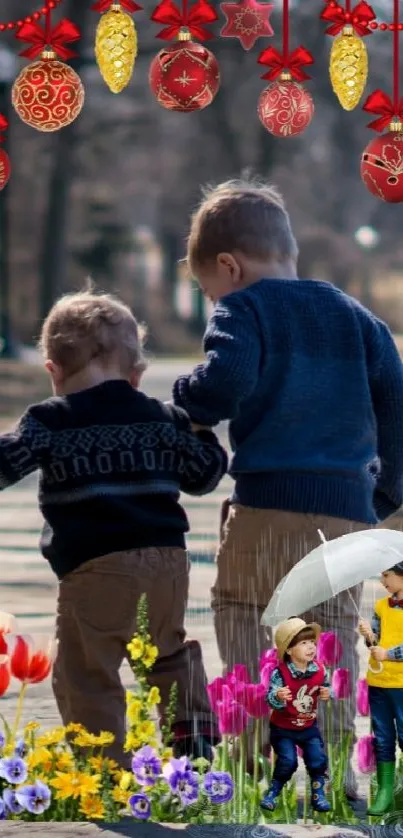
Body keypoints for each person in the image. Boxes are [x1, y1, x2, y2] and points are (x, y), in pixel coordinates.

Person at [172, 177, 403, 796]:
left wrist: (186, 396)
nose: (212, 299)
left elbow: (226, 381)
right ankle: (330, 771)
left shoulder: (244, 308)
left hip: (267, 504)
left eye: (207, 289)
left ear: (230, 265)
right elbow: (398, 414)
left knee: (248, 616)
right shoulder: (360, 320)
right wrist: (378, 500)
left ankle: (251, 760)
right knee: (329, 634)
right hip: (346, 516)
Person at [0, 289, 228, 768]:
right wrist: (202, 432)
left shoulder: (49, 420)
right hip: (167, 562)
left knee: (87, 669)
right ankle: (192, 732)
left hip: (94, 566)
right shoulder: (163, 418)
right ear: (137, 373)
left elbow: (7, 462)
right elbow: (204, 475)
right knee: (166, 653)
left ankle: (105, 768)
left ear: (53, 371)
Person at [261, 618, 331, 813]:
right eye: (303, 643)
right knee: (288, 761)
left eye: (312, 643)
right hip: (283, 728)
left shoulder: (320, 669)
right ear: (289, 650)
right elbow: (270, 698)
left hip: (308, 727)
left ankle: (318, 796)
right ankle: (273, 792)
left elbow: (325, 687)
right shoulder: (280, 673)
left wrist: (326, 693)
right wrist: (278, 696)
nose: (311, 647)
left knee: (317, 759)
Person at [359, 562, 403, 815]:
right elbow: (375, 641)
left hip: (401, 685)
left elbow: (387, 650)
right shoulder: (380, 607)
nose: (382, 580)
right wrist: (369, 636)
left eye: (386, 575)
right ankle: (386, 791)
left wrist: (388, 653)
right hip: (379, 683)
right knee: (383, 739)